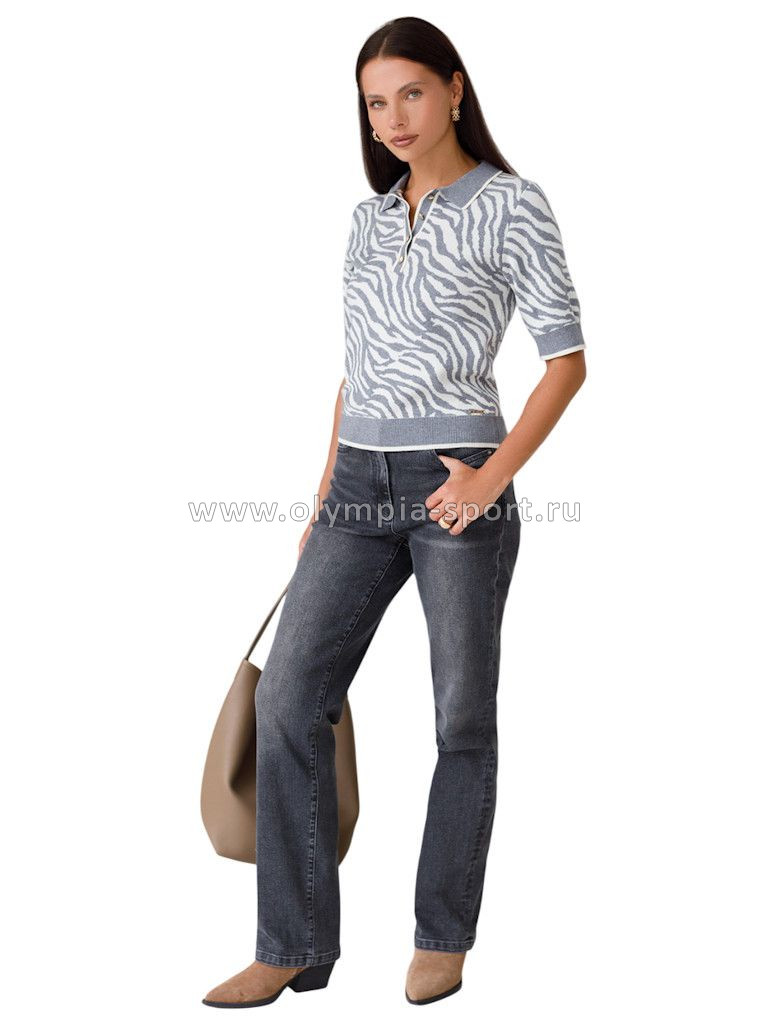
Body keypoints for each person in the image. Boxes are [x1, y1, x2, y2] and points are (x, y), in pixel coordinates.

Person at [203, 14, 586, 1010]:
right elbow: (358, 370)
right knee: (290, 699)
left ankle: (442, 935)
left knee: (461, 718)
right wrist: (324, 491)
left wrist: (489, 479)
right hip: (355, 486)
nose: (394, 118)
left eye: (411, 92)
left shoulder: (512, 204)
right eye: (376, 103)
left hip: (458, 484)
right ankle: (291, 944)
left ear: (454, 88)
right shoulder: (366, 221)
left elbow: (566, 362)